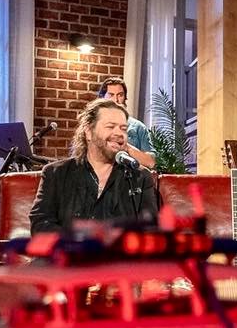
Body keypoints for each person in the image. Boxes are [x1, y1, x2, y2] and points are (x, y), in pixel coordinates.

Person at [30, 98, 158, 232]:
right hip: (69, 245)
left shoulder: (140, 177)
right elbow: (40, 224)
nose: (119, 133)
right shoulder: (56, 174)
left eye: (123, 129)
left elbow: (149, 229)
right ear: (89, 132)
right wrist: (77, 241)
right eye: (110, 126)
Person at [96, 77, 156, 169]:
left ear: (125, 98)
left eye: (120, 95)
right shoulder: (93, 126)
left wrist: (126, 147)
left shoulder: (137, 127)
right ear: (102, 97)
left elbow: (150, 162)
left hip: (128, 176)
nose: (116, 100)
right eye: (111, 95)